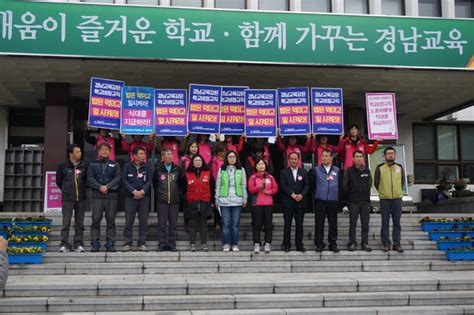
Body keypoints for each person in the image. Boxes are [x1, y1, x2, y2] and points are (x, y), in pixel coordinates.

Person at [87, 142, 121, 252]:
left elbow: (117, 178)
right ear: (99, 151)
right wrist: (99, 186)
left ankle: (110, 243)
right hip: (97, 195)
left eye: (107, 149)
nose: (104, 151)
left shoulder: (115, 165)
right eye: (102, 149)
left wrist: (107, 186)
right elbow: (90, 178)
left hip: (111, 196)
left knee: (111, 220)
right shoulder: (93, 164)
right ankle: (95, 243)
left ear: (110, 151)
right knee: (96, 219)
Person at [56, 144, 88, 253]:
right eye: (77, 152)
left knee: (80, 223)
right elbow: (59, 181)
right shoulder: (63, 165)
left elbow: (86, 181)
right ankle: (64, 244)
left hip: (81, 198)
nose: (80, 153)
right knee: (66, 222)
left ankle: (78, 243)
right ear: (71, 154)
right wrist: (66, 190)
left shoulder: (84, 165)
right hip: (67, 198)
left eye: (80, 151)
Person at [215, 150, 247, 252]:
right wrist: (217, 199)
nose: (232, 159)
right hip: (224, 200)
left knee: (235, 224)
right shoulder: (222, 169)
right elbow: (218, 185)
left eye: (233, 157)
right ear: (226, 159)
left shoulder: (241, 170)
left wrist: (245, 198)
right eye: (230, 157)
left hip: (237, 200)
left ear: (236, 158)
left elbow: (243, 185)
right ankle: (226, 243)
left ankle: (234, 244)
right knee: (225, 223)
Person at [374, 146, 405, 253]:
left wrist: (397, 192)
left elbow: (402, 182)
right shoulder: (380, 167)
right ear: (385, 155)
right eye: (388, 153)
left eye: (392, 153)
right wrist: (383, 192)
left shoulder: (400, 167)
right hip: (385, 199)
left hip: (397, 199)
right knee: (385, 222)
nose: (390, 155)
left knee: (397, 222)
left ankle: (397, 243)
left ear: (395, 155)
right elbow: (376, 183)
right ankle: (386, 243)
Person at [310, 149, 342, 253]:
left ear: (331, 158)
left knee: (333, 223)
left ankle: (332, 243)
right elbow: (312, 185)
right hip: (320, 200)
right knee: (319, 223)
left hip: (333, 200)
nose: (324, 158)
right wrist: (318, 194)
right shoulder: (316, 170)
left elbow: (340, 186)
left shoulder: (337, 170)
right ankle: (319, 243)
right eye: (322, 156)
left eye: (326, 156)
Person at [122, 147, 153, 252]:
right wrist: (134, 191)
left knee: (143, 221)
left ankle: (142, 243)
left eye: (144, 153)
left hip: (144, 197)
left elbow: (149, 181)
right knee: (129, 221)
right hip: (130, 197)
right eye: (140, 154)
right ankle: (128, 243)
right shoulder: (127, 166)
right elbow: (124, 180)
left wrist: (142, 191)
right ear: (134, 156)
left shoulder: (148, 167)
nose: (143, 156)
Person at [280, 152, 310, 252]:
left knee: (299, 224)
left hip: (300, 202)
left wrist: (301, 195)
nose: (293, 160)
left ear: (298, 160)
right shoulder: (284, 172)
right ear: (289, 160)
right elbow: (283, 186)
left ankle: (299, 244)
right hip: (288, 202)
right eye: (291, 159)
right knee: (287, 224)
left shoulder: (304, 172)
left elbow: (307, 185)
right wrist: (292, 195)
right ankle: (286, 244)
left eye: (295, 159)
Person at [343, 150, 372, 252]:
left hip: (365, 201)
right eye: (357, 156)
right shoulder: (349, 170)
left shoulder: (367, 171)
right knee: (353, 223)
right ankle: (352, 242)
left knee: (365, 224)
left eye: (361, 156)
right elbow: (345, 186)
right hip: (353, 201)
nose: (359, 158)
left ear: (363, 159)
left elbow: (369, 185)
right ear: (353, 159)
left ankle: (365, 243)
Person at [154, 148, 182, 252]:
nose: (170, 156)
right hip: (162, 201)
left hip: (174, 201)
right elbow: (155, 184)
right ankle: (162, 244)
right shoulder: (158, 169)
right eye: (168, 154)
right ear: (163, 157)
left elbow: (180, 184)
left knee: (173, 224)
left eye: (171, 154)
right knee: (162, 224)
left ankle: (172, 244)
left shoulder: (177, 169)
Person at [248, 158, 278, 254]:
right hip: (257, 204)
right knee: (257, 225)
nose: (261, 166)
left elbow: (275, 188)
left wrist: (268, 191)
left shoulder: (270, 177)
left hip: (268, 204)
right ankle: (256, 243)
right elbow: (251, 190)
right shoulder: (253, 177)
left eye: (263, 164)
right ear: (256, 166)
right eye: (259, 164)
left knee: (268, 225)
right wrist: (259, 187)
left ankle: (267, 243)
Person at [183, 154, 213, 252]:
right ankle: (192, 244)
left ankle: (204, 244)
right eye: (196, 160)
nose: (198, 162)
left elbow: (212, 187)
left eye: (199, 160)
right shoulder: (187, 174)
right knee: (193, 224)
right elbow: (183, 189)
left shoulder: (208, 173)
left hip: (205, 202)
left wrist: (210, 201)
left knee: (203, 224)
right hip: (192, 202)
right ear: (192, 162)